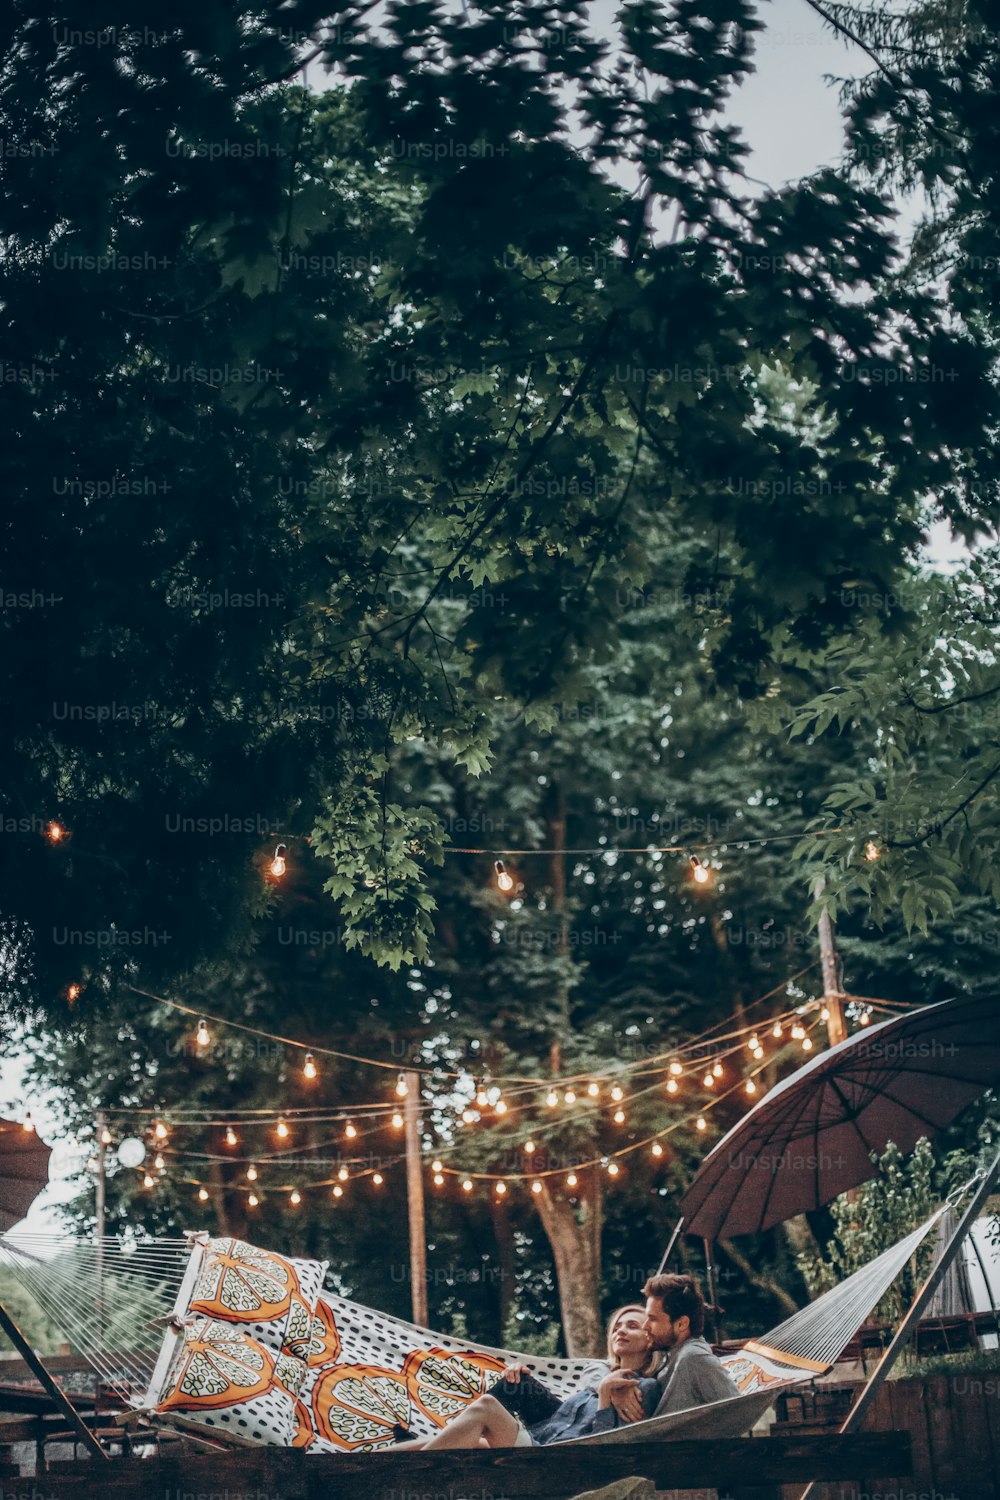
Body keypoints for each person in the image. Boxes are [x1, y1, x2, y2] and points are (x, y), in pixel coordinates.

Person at [392, 1304, 662, 1449]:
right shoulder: (599, 1373)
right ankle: (360, 1466)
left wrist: (605, 1401)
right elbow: (558, 1419)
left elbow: (605, 1448)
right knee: (466, 1440)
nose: (620, 1331)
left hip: (560, 1461)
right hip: (541, 1441)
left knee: (486, 1408)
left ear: (650, 1339)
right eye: (617, 1327)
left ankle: (414, 1479)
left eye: (632, 1326)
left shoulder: (645, 1389)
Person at [605, 1273, 740, 1425]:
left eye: (653, 1319)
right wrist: (616, 1387)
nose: (645, 1326)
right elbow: (600, 1366)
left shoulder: (693, 1357)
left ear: (681, 1324)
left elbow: (738, 1412)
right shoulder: (669, 1353)